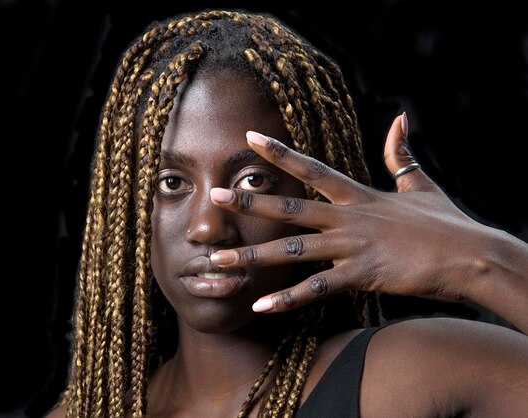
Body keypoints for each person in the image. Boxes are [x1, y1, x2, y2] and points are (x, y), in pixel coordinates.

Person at [45, 9, 528, 418]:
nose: (209, 228)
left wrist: (480, 259)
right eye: (170, 184)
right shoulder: (89, 409)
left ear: (311, 195)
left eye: (253, 180)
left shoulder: (413, 374)